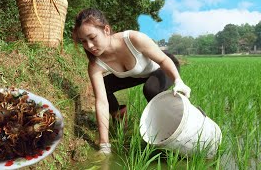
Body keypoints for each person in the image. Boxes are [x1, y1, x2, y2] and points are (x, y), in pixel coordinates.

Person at [72, 8, 191, 154]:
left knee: (151, 89)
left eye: (92, 37)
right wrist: (104, 144)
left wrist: (178, 81)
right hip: (137, 74)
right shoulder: (95, 64)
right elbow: (101, 102)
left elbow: (163, 60)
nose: (89, 46)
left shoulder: (133, 39)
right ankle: (120, 119)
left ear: (106, 30)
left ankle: (169, 128)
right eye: (83, 41)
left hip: (163, 66)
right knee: (105, 87)